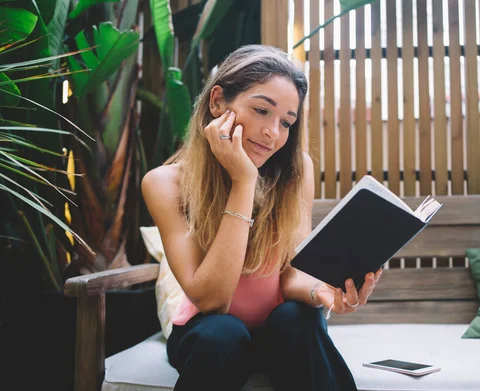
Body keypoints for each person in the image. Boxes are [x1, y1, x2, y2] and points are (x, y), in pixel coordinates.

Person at [141, 44, 383, 391]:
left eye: (286, 122)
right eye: (261, 110)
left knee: (298, 319)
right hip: (210, 335)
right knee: (222, 333)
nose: (273, 132)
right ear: (217, 102)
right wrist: (243, 181)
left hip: (284, 334)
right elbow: (212, 299)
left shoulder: (296, 170)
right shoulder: (165, 183)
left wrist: (323, 292)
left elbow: (291, 277)